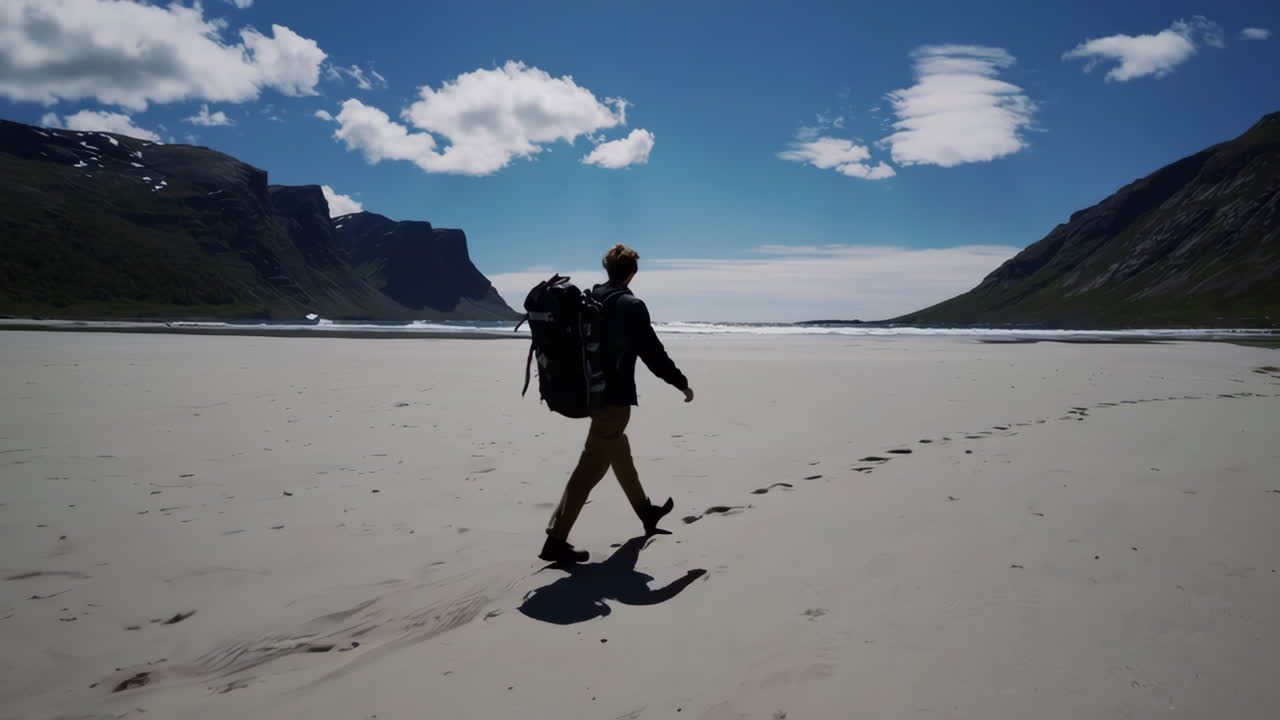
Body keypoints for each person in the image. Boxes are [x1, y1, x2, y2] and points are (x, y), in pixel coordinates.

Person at [540, 244, 695, 563]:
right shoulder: (631, 305)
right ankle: (556, 539)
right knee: (590, 468)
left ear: (607, 270)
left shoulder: (590, 298)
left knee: (618, 451)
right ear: (632, 273)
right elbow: (652, 352)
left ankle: (646, 512)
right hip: (615, 399)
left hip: (591, 393)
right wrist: (680, 382)